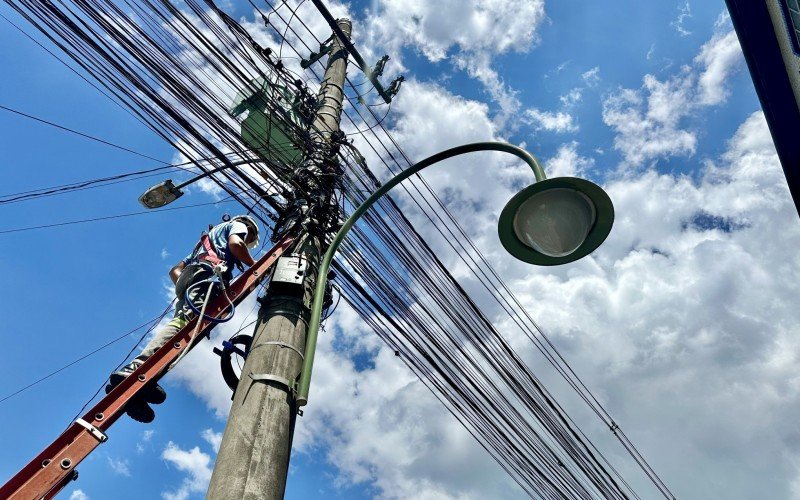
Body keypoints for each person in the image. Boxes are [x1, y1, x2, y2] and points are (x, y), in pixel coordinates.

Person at [106, 215, 260, 423]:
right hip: (206, 274)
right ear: (249, 229)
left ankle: (143, 385)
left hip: (192, 275)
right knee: (184, 325)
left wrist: (188, 287)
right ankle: (134, 369)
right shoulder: (238, 225)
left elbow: (174, 271)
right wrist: (253, 264)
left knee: (186, 333)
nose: (247, 241)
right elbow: (236, 244)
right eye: (249, 239)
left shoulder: (205, 241)